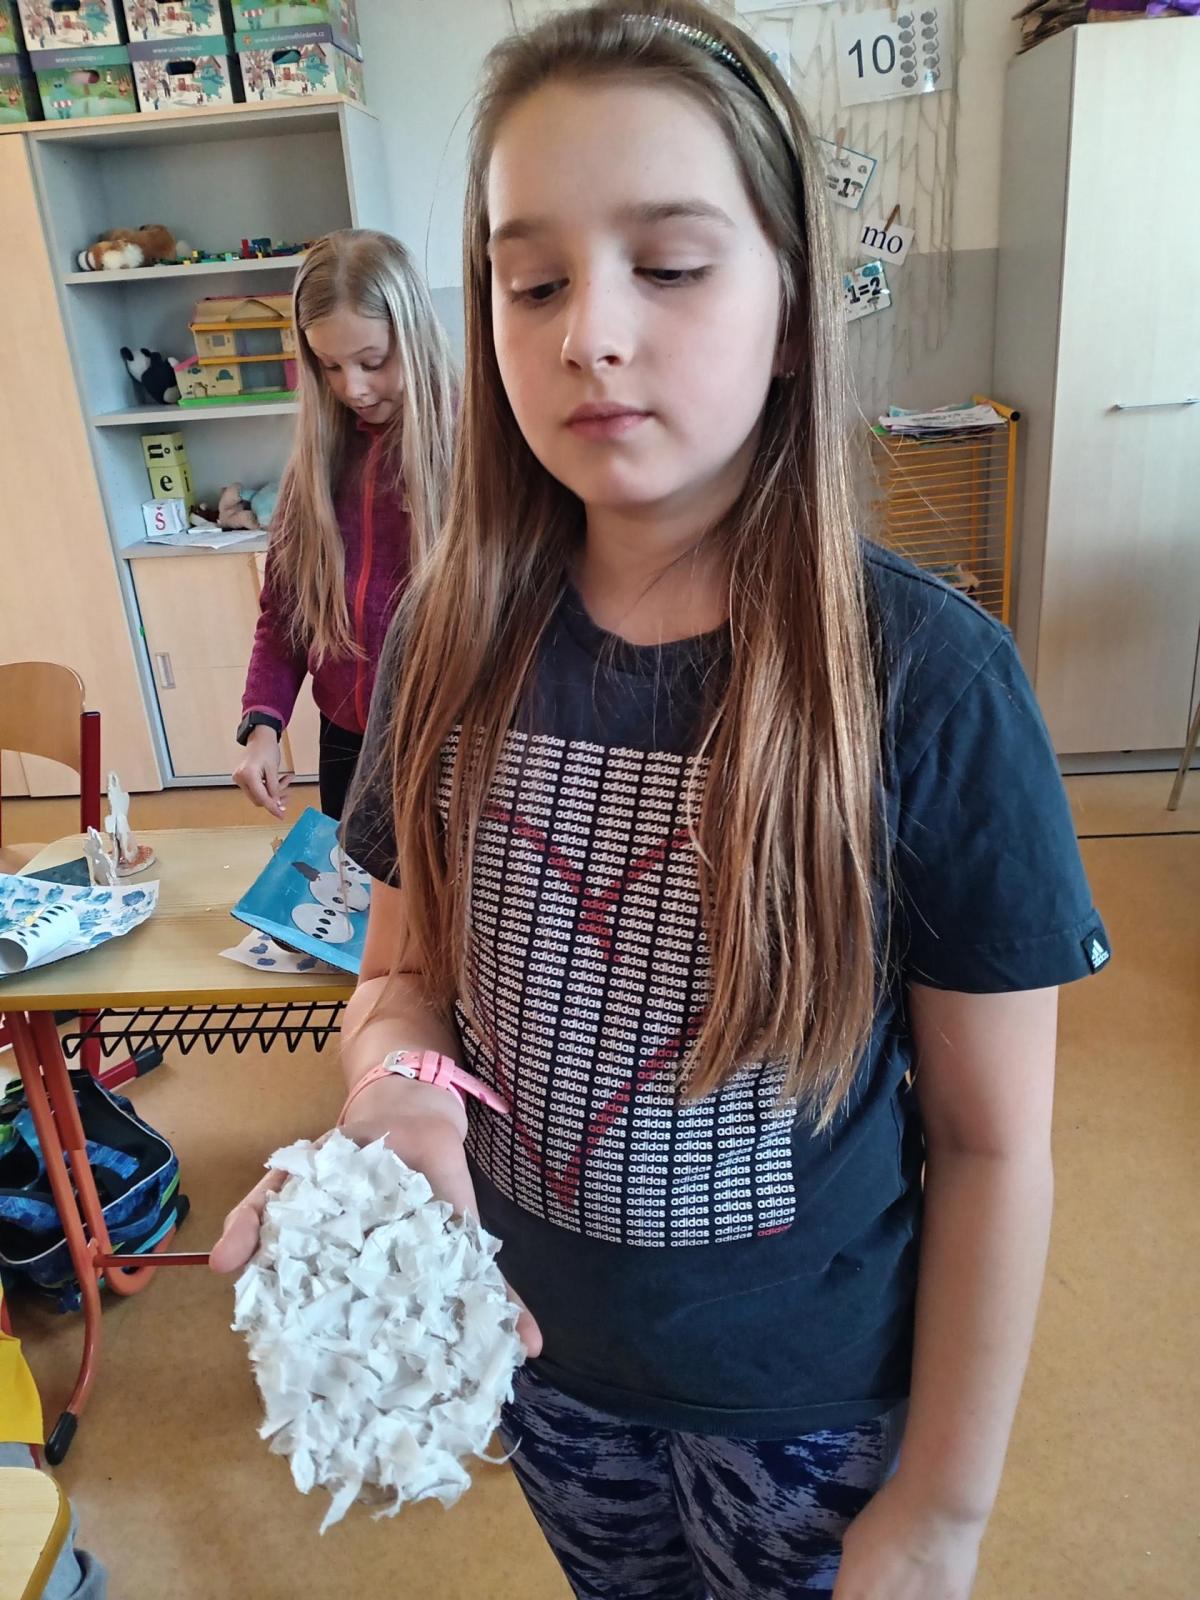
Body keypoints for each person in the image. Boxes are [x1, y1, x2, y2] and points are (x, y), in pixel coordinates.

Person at [213, 5, 1112, 1595]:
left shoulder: (928, 679)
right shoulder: (445, 638)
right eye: (533, 282)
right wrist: (396, 1091)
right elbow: (402, 979)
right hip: (547, 1369)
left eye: (673, 266)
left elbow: (992, 1147)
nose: (592, 334)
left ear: (789, 312)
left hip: (810, 1408)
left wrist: (944, 1511)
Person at [233, 228, 456, 822]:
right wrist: (264, 727)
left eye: (372, 362)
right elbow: (284, 613)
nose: (352, 388)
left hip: (447, 742)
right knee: (349, 879)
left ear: (414, 336)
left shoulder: (475, 450)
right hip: (346, 741)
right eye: (329, 366)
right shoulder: (315, 466)